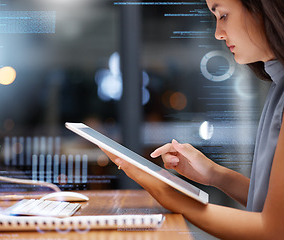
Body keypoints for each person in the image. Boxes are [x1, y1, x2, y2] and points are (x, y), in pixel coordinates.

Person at [102, 0, 284, 238]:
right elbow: (274, 206)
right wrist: (214, 174)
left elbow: (273, 229)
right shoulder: (277, 84)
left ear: (264, 8)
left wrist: (166, 193)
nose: (218, 33)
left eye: (223, 15)